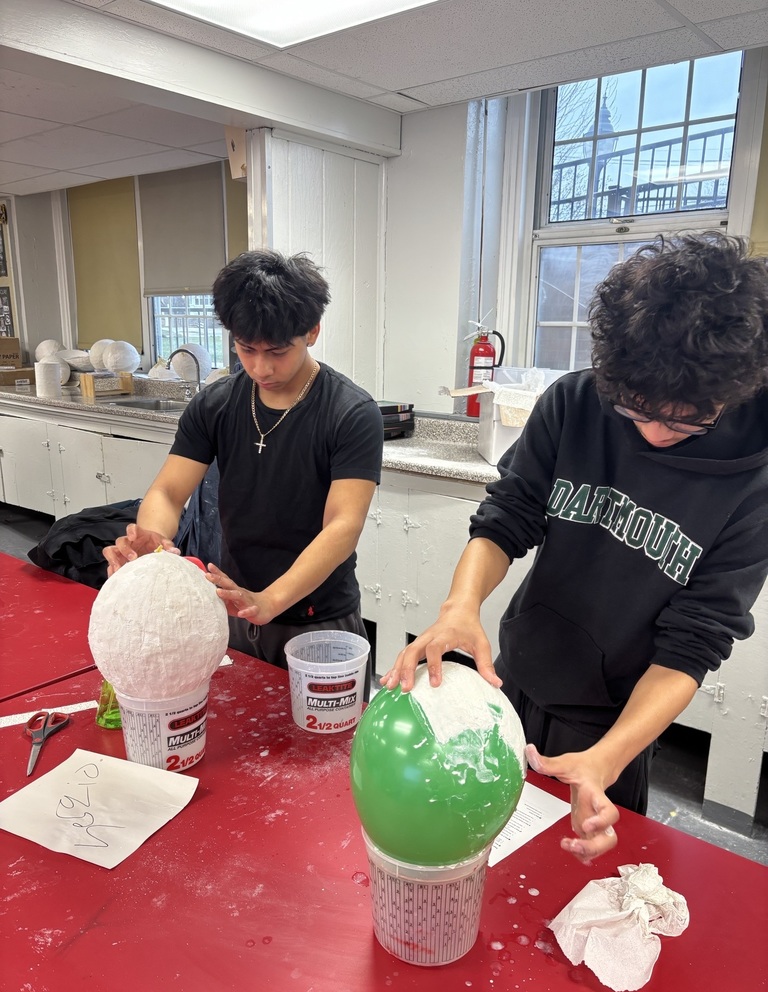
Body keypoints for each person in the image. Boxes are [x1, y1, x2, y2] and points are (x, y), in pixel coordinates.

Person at [382, 232, 768, 863]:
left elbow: (696, 642)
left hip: (612, 725)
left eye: (684, 419)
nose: (654, 433)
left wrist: (607, 760)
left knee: (572, 880)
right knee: (487, 860)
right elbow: (508, 517)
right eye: (635, 409)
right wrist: (460, 607)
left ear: (734, 388)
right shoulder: (578, 401)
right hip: (515, 678)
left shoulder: (755, 480)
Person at [103, 250, 383, 671]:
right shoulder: (216, 404)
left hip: (317, 619)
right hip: (232, 606)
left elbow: (343, 526)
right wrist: (155, 540)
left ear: (312, 331)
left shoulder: (350, 412)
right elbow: (168, 492)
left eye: (277, 351)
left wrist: (270, 600)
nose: (260, 367)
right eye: (246, 349)